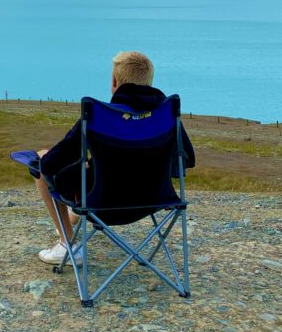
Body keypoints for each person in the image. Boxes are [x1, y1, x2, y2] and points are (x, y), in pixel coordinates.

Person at [33, 50, 195, 265]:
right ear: (149, 82)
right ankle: (70, 221)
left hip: (102, 204)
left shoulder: (100, 115)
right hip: (155, 200)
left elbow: (52, 163)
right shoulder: (166, 115)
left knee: (42, 159)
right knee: (96, 169)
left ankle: (67, 244)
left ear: (114, 81)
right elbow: (186, 160)